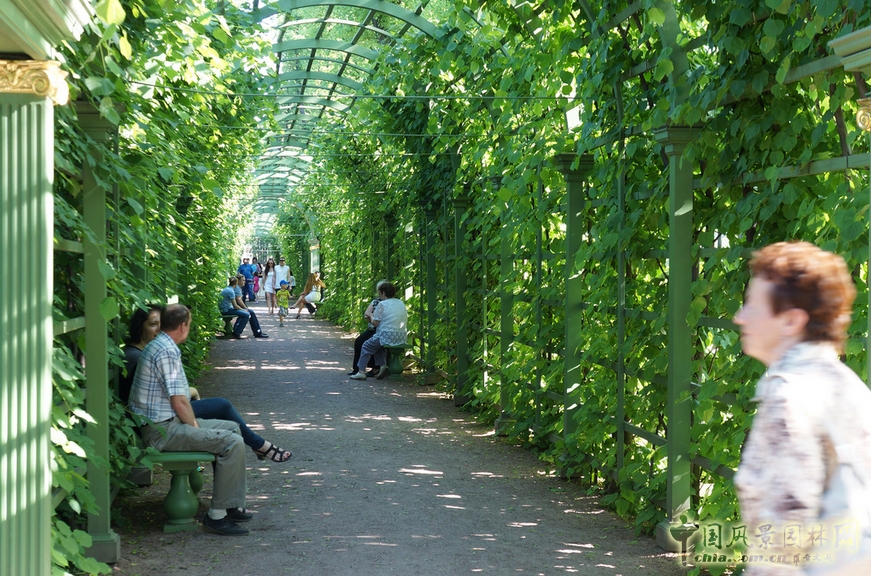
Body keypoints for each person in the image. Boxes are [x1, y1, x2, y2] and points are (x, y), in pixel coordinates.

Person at [732, 241, 871, 574]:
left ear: (791, 321)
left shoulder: (789, 396)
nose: (739, 317)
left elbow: (782, 537)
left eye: (752, 305)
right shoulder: (847, 385)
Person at [128, 304, 252, 536]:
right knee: (232, 442)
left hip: (163, 425)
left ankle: (230, 503)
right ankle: (217, 516)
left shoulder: (160, 345)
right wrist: (196, 430)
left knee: (233, 428)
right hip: (161, 432)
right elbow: (180, 402)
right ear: (183, 325)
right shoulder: (166, 350)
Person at [122, 306, 291, 462]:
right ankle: (258, 447)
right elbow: (174, 400)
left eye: (161, 324)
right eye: (153, 324)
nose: (159, 329)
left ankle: (256, 448)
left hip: (161, 418)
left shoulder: (153, 348)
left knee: (228, 421)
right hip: (160, 423)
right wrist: (197, 431)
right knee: (224, 415)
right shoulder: (157, 352)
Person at [350, 282, 407, 380]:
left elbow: (375, 323)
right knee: (378, 345)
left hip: (386, 335)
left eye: (380, 293)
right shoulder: (400, 303)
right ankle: (382, 365)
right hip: (401, 336)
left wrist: (371, 316)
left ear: (383, 293)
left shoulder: (382, 304)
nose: (379, 295)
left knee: (366, 346)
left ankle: (361, 372)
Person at [348, 280, 387, 377]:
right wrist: (372, 316)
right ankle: (357, 368)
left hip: (381, 329)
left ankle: (375, 368)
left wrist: (372, 316)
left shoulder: (389, 303)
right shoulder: (376, 301)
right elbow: (366, 314)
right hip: (372, 328)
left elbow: (378, 317)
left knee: (373, 343)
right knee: (359, 341)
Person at [233, 274, 268, 338]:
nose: (244, 282)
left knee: (248, 312)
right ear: (238, 281)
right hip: (233, 307)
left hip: (233, 306)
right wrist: (245, 308)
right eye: (243, 280)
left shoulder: (237, 288)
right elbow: (239, 300)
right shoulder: (237, 288)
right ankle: (257, 332)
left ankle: (237, 330)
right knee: (250, 312)